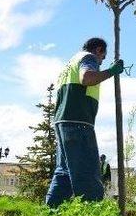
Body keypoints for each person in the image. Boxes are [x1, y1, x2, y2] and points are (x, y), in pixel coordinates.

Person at [45, 37, 124, 207]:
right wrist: (111, 71)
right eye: (102, 58)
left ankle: (51, 213)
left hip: (62, 121)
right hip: (79, 122)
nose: (101, 63)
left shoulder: (70, 63)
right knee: (88, 172)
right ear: (98, 50)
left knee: (64, 173)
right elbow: (87, 78)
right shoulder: (89, 58)